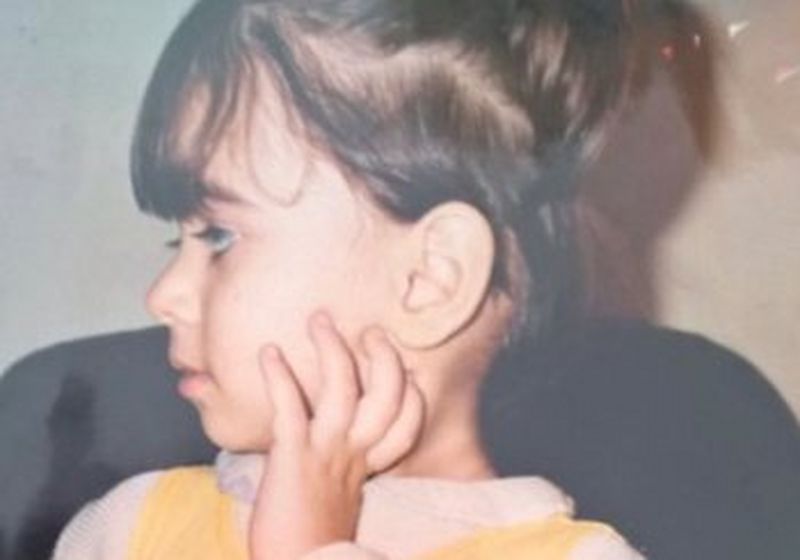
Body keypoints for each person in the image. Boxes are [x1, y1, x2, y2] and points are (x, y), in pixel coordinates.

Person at [53, 0, 647, 558]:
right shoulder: (128, 529)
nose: (163, 296)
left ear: (429, 278)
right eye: (175, 240)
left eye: (218, 237)